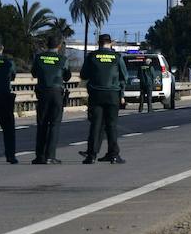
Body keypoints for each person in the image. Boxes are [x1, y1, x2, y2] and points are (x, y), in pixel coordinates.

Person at [81, 33, 126, 164]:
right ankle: (113, 155)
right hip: (112, 94)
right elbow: (124, 76)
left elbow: (84, 75)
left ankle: (91, 155)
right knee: (111, 125)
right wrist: (122, 94)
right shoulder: (117, 57)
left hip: (96, 94)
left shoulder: (91, 56)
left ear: (98, 43)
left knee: (96, 124)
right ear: (110, 43)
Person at [31, 36, 70, 164]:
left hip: (42, 93)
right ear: (58, 46)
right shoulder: (62, 59)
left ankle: (39, 156)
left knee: (42, 124)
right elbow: (67, 76)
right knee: (54, 124)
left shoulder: (39, 58)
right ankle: (50, 156)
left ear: (47, 45)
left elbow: (34, 73)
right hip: (56, 93)